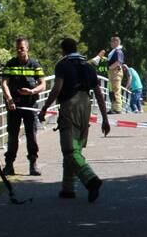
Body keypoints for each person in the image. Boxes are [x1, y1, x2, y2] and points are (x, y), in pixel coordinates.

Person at [39, 38, 111, 202]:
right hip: (86, 106)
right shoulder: (88, 66)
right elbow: (99, 94)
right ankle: (68, 189)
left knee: (70, 150)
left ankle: (91, 180)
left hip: (70, 107)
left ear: (63, 50)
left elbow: (57, 88)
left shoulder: (62, 65)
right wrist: (105, 119)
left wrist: (45, 108)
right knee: (75, 147)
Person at [0, 36, 46, 176]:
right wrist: (9, 99)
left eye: (22, 48)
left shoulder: (35, 65)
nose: (19, 51)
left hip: (29, 105)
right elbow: (4, 83)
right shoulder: (10, 64)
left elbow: (43, 84)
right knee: (12, 136)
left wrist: (31, 91)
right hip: (14, 106)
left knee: (31, 135)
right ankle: (9, 165)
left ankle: (33, 164)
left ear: (27, 48)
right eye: (17, 49)